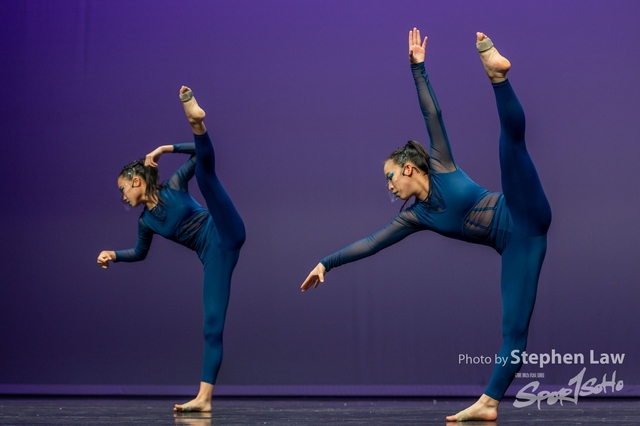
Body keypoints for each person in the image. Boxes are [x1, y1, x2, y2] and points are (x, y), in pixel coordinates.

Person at [301, 28, 551, 422]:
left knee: (511, 147)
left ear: (408, 168)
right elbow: (372, 242)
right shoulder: (415, 215)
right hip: (520, 246)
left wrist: (418, 69)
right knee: (514, 330)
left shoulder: (440, 162)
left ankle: (497, 76)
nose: (388, 186)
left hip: (522, 210)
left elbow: (432, 114)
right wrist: (326, 263)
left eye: (389, 177)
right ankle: (488, 404)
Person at [97, 87, 246, 412]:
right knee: (211, 325)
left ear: (137, 181)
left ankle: (196, 121)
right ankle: (204, 399)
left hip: (224, 228)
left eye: (123, 189)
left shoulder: (174, 185)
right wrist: (114, 255)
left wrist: (166, 148)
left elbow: (199, 154)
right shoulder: (145, 222)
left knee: (205, 175)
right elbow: (140, 253)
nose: (123, 196)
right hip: (214, 256)